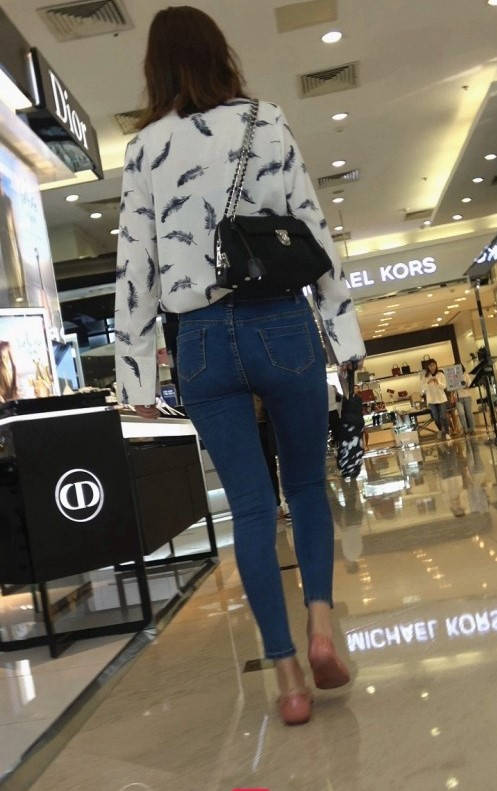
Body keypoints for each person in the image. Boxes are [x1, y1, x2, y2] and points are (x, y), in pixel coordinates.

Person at [114, 6, 365, 726]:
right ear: (219, 54)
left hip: (198, 339)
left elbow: (134, 270)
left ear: (155, 69)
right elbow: (311, 230)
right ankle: (321, 623)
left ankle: (285, 674)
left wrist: (137, 381)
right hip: (280, 322)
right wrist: (344, 337)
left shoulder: (143, 149)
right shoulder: (265, 120)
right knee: (306, 487)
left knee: (252, 508)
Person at [421, 359, 450, 440]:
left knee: (443, 416)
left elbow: (444, 386)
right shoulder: (425, 376)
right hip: (431, 401)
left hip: (441, 399)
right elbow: (423, 389)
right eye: (430, 366)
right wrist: (428, 382)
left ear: (436, 365)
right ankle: (441, 430)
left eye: (433, 365)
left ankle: (447, 433)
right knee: (436, 418)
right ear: (428, 367)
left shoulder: (440, 374)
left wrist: (437, 382)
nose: (432, 367)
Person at [455, 365, 476, 435]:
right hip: (458, 397)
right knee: (461, 414)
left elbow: (470, 385)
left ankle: (472, 429)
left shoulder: (466, 375)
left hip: (467, 396)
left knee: (468, 413)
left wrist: (463, 385)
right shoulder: (454, 376)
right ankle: (465, 430)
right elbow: (452, 387)